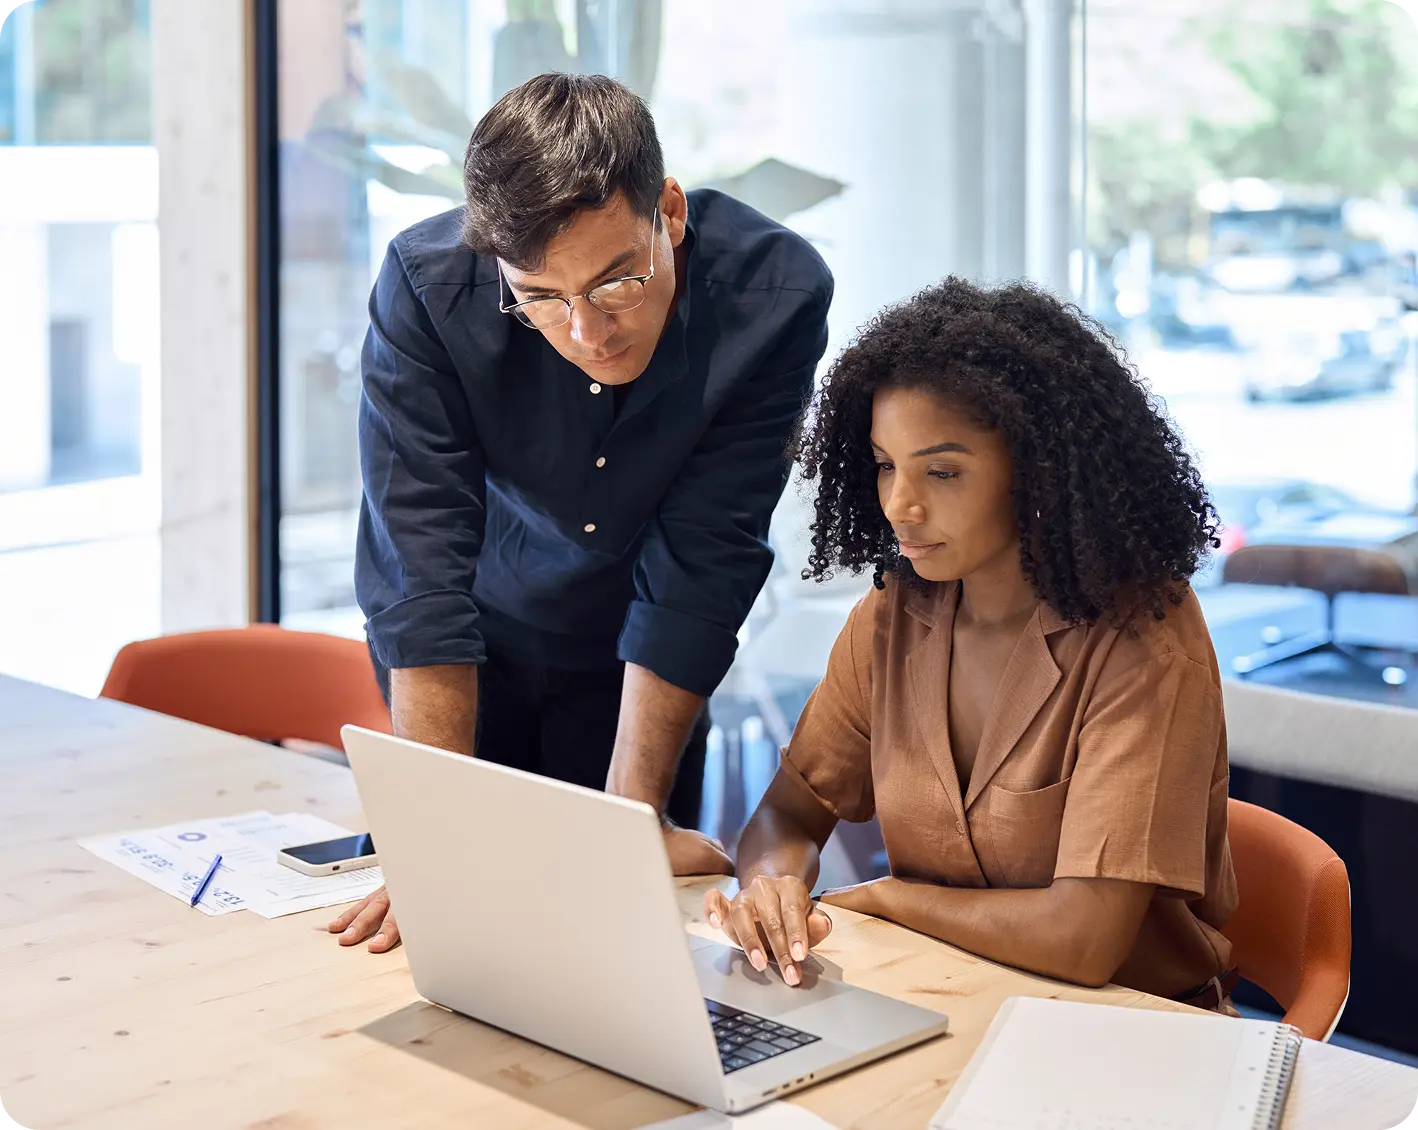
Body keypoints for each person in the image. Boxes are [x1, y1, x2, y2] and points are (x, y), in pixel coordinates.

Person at [333, 73, 833, 952]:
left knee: (616, 942)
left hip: (642, 666)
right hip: (470, 654)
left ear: (669, 211)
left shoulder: (774, 295)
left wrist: (630, 818)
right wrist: (434, 841)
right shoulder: (427, 287)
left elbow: (704, 563)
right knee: (448, 925)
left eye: (616, 282)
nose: (588, 332)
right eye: (541, 298)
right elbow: (419, 566)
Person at [705, 278, 1240, 1009]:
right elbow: (789, 814)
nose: (900, 503)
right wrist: (771, 884)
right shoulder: (893, 616)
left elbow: (1082, 941)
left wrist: (891, 899)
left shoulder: (1142, 634)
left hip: (1133, 1032)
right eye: (886, 464)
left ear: (1038, 467)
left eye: (943, 471)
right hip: (948, 998)